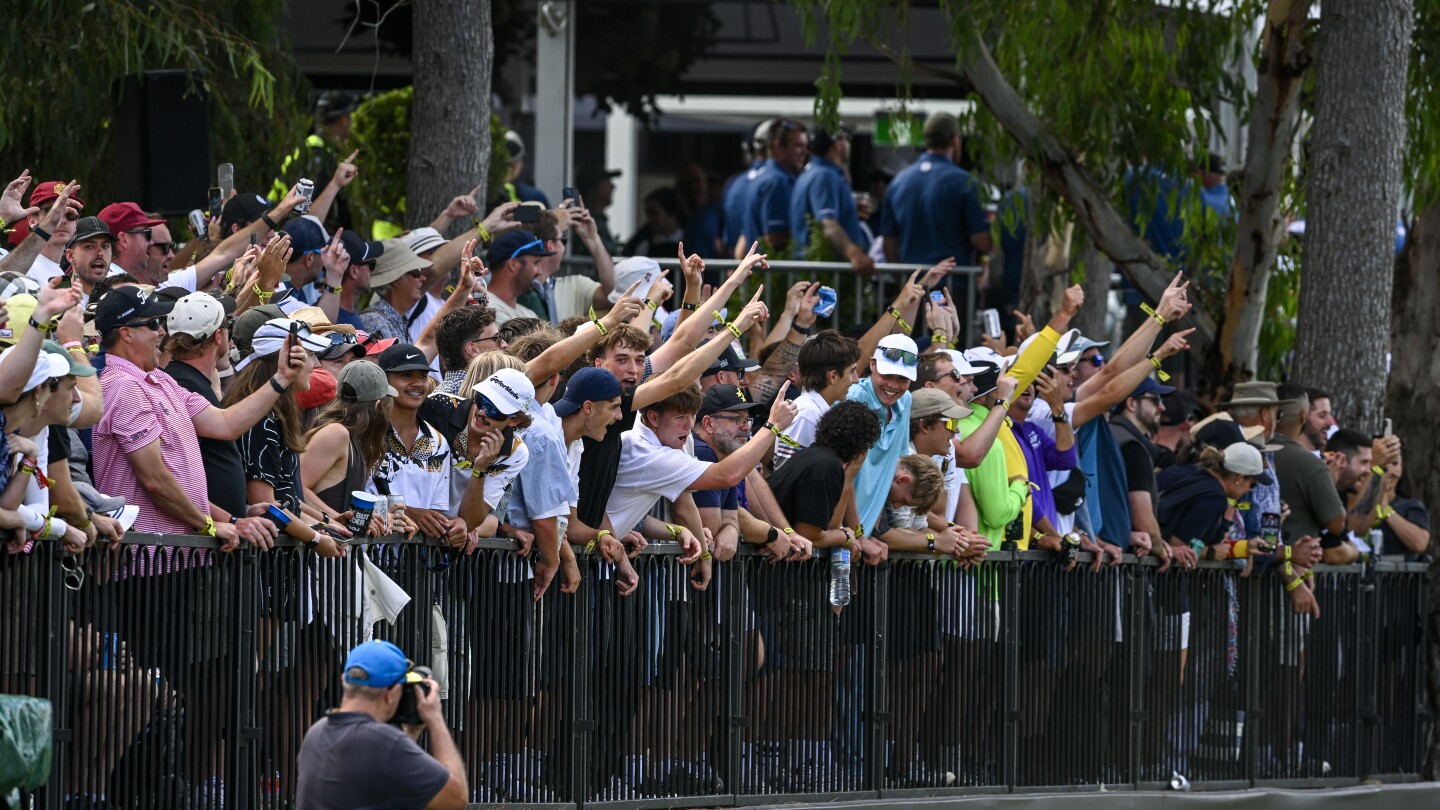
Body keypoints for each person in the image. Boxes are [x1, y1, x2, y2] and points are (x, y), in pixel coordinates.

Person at [295, 640, 468, 810]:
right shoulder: (384, 742)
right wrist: (435, 718)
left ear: (344, 681)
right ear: (391, 693)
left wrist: (409, 734)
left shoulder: (316, 733)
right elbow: (456, 799)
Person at [880, 112, 992, 270]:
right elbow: (981, 241)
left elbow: (888, 242)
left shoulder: (898, 182)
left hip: (914, 285)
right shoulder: (964, 182)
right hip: (952, 284)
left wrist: (902, 279)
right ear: (955, 140)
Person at [790, 126, 873, 274]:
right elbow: (827, 224)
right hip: (823, 273)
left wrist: (850, 211)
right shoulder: (824, 175)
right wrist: (855, 254)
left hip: (816, 269)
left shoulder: (813, 171)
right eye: (847, 139)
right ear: (838, 144)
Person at [772, 330, 860, 467]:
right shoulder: (806, 414)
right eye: (852, 371)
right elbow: (785, 475)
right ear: (833, 376)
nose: (857, 379)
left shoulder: (814, 410)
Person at [737, 119, 809, 256]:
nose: (805, 152)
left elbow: (742, 242)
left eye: (806, 146)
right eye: (799, 146)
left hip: (764, 271)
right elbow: (773, 238)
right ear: (778, 147)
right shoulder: (776, 181)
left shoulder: (767, 176)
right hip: (773, 273)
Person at [360, 239, 432, 342]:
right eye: (416, 272)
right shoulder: (374, 320)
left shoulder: (399, 320)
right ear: (396, 280)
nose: (423, 278)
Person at [485, 229, 553, 325]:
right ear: (513, 264)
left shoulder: (529, 314)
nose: (540, 272)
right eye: (536, 263)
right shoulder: (487, 312)